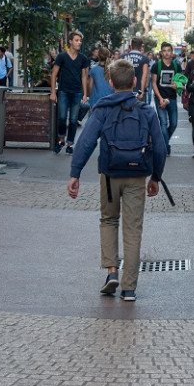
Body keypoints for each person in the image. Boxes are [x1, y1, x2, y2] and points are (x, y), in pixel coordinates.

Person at [68, 58, 167, 302]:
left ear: (111, 83)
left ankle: (112, 271)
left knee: (109, 220)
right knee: (133, 230)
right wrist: (155, 177)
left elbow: (86, 142)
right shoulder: (146, 110)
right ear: (134, 81)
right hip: (137, 175)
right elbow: (160, 147)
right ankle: (129, 288)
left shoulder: (102, 109)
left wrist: (75, 172)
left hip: (110, 175)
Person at [50, 30, 90, 154]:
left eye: (80, 41)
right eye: (77, 40)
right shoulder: (62, 56)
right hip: (63, 91)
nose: (79, 43)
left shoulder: (83, 58)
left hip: (77, 92)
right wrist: (53, 92)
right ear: (70, 41)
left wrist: (85, 93)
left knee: (73, 120)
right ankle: (61, 139)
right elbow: (54, 74)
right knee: (62, 117)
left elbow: (84, 76)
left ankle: (69, 144)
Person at [150, 41, 182, 153]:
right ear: (161, 53)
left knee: (174, 123)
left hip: (172, 98)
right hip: (160, 98)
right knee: (163, 123)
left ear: (172, 52)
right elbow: (153, 83)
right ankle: (165, 147)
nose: (167, 53)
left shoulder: (176, 66)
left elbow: (180, 82)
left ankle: (162, 142)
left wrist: (177, 85)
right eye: (164, 51)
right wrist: (159, 99)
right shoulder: (156, 66)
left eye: (169, 50)